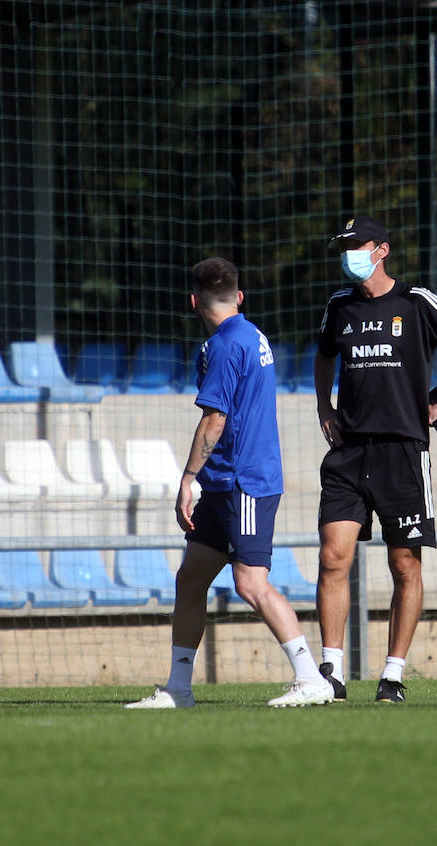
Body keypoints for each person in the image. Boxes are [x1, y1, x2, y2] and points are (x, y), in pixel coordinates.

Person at [126, 257, 335, 709]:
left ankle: (311, 677)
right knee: (191, 578)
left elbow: (215, 419)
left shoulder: (223, 346)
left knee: (251, 583)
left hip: (244, 482)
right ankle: (179, 689)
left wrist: (187, 478)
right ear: (238, 296)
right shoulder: (253, 334)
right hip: (226, 482)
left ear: (193, 300)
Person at [314, 215, 437, 703]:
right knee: (333, 559)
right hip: (348, 453)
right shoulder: (339, 305)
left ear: (382, 250)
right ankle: (328, 674)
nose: (348, 254)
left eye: (357, 245)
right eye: (343, 246)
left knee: (404, 565)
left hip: (403, 452)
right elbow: (324, 354)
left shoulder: (416, 301)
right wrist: (323, 406)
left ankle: (392, 675)